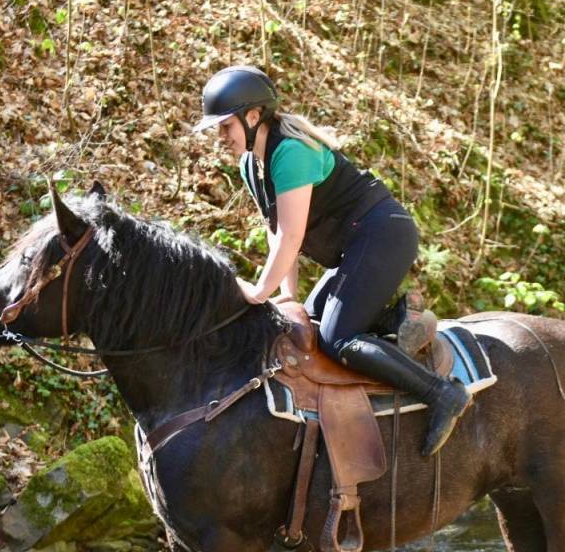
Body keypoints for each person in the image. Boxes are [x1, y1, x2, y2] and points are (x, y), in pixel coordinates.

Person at [192, 65, 470, 456]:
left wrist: (258, 292)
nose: (220, 137)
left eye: (225, 127)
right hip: (356, 248)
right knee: (311, 322)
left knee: (339, 339)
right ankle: (396, 319)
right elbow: (279, 231)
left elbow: (291, 237)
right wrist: (286, 296)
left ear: (253, 117)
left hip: (382, 236)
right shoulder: (250, 165)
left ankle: (442, 394)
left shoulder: (290, 153)